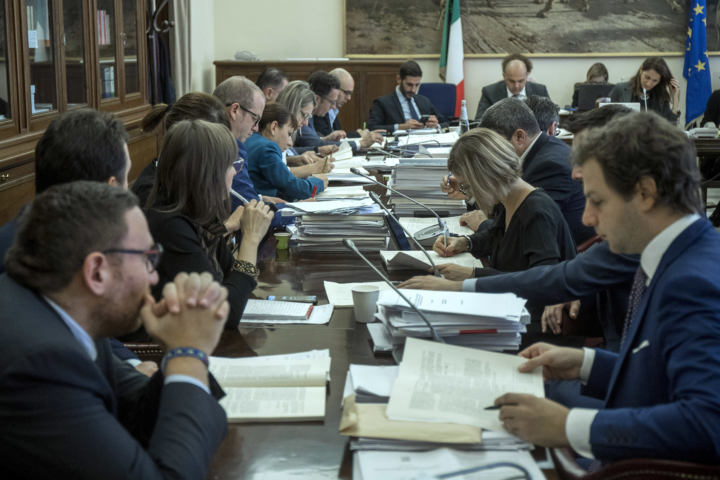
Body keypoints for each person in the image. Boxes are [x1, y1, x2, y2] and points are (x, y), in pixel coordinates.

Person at [493, 112, 720, 465]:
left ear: (645, 193)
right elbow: (662, 380)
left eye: (598, 200)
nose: (587, 217)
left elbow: (707, 424)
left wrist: (569, 426)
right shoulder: (678, 254)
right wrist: (586, 363)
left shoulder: (692, 282)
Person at [1, 181, 229, 478]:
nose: (154, 277)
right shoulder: (40, 362)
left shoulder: (64, 313)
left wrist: (178, 352)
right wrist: (189, 354)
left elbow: (132, 415)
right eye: (147, 259)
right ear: (97, 272)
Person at [0, 108, 157, 373]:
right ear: (109, 188)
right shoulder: (17, 257)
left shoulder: (56, 233)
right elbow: (60, 344)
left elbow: (87, 329)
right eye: (126, 178)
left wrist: (130, 367)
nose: (129, 191)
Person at [399, 128, 577, 336]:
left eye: (467, 187)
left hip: (534, 326)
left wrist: (472, 276)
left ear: (485, 177)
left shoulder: (536, 212)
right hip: (510, 310)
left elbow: (539, 282)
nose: (469, 194)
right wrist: (464, 242)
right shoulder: (511, 198)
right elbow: (499, 235)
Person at [145, 119, 274, 330]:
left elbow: (231, 279)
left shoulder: (198, 214)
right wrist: (251, 238)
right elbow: (224, 314)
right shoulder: (170, 226)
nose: (235, 172)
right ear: (208, 173)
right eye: (231, 165)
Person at [134, 92, 294, 229]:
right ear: (195, 142)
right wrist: (230, 231)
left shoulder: (186, 180)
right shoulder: (161, 202)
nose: (233, 170)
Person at [475, 98, 594, 245]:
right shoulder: (542, 150)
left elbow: (528, 228)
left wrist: (483, 225)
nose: (490, 152)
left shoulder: (549, 167)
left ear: (519, 136)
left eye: (493, 144)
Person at [245, 102, 328, 201]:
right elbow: (293, 187)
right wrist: (319, 182)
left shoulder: (249, 139)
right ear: (274, 127)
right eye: (289, 134)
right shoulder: (267, 148)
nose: (290, 143)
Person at [367, 60, 449, 132]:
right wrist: (401, 127)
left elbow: (446, 123)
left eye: (417, 85)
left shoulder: (424, 101)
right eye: (409, 85)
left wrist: (436, 125)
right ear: (399, 79)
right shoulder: (383, 103)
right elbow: (371, 127)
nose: (413, 90)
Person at [313, 68, 385, 145]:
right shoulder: (318, 108)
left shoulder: (331, 108)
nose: (349, 98)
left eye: (350, 93)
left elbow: (334, 137)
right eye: (346, 92)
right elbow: (325, 137)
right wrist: (358, 136)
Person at [474, 54, 550, 120]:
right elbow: (479, 121)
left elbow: (551, 118)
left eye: (520, 81)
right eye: (511, 81)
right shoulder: (490, 92)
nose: (516, 86)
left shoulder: (540, 91)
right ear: (504, 76)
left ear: (527, 75)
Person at [277, 80, 338, 158]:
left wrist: (317, 151)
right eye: (305, 116)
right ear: (293, 108)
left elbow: (289, 153)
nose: (306, 123)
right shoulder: (276, 132)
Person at [609, 57, 680, 123]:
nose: (648, 84)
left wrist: (675, 98)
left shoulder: (661, 94)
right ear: (641, 69)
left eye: (655, 81)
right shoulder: (620, 89)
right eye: (647, 77)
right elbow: (609, 121)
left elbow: (670, 125)